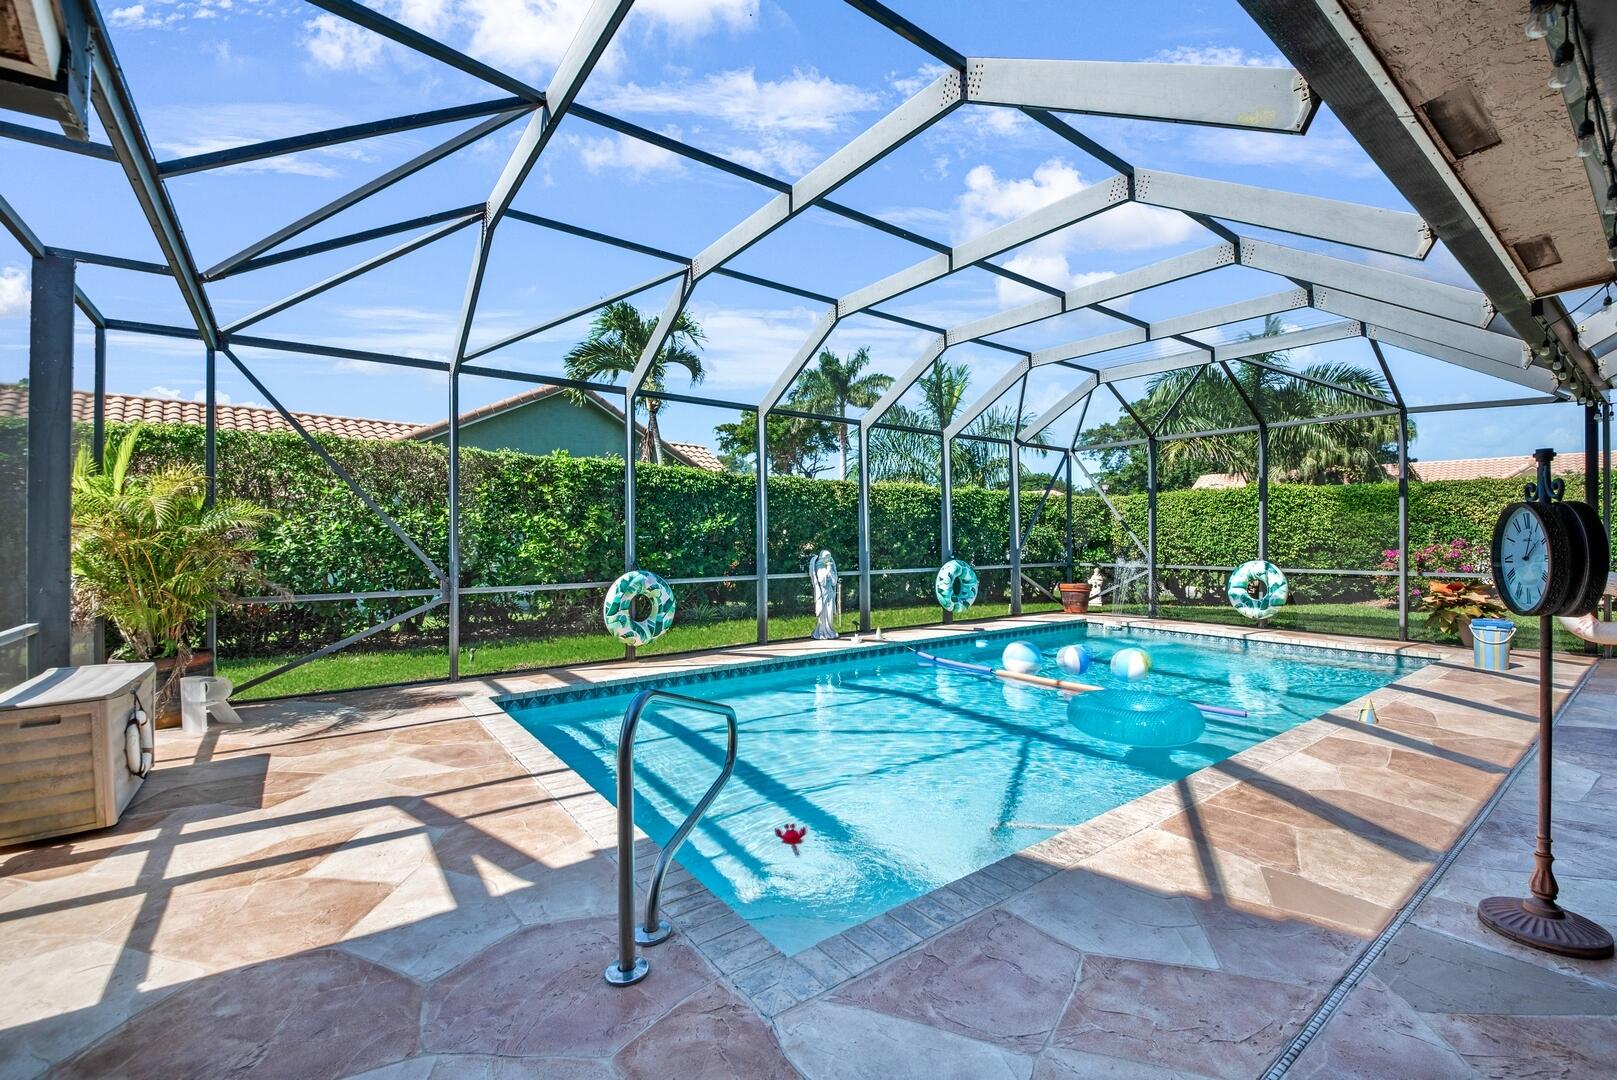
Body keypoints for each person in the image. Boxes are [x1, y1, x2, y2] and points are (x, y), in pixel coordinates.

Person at [810, 550, 840, 640]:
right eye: (826, 557)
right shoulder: (818, 566)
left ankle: (829, 630)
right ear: (822, 557)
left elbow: (834, 582)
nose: (828, 559)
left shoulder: (829, 566)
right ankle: (821, 632)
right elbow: (821, 581)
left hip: (830, 592)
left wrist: (830, 570)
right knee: (823, 613)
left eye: (829, 557)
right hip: (822, 593)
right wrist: (827, 570)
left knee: (830, 612)